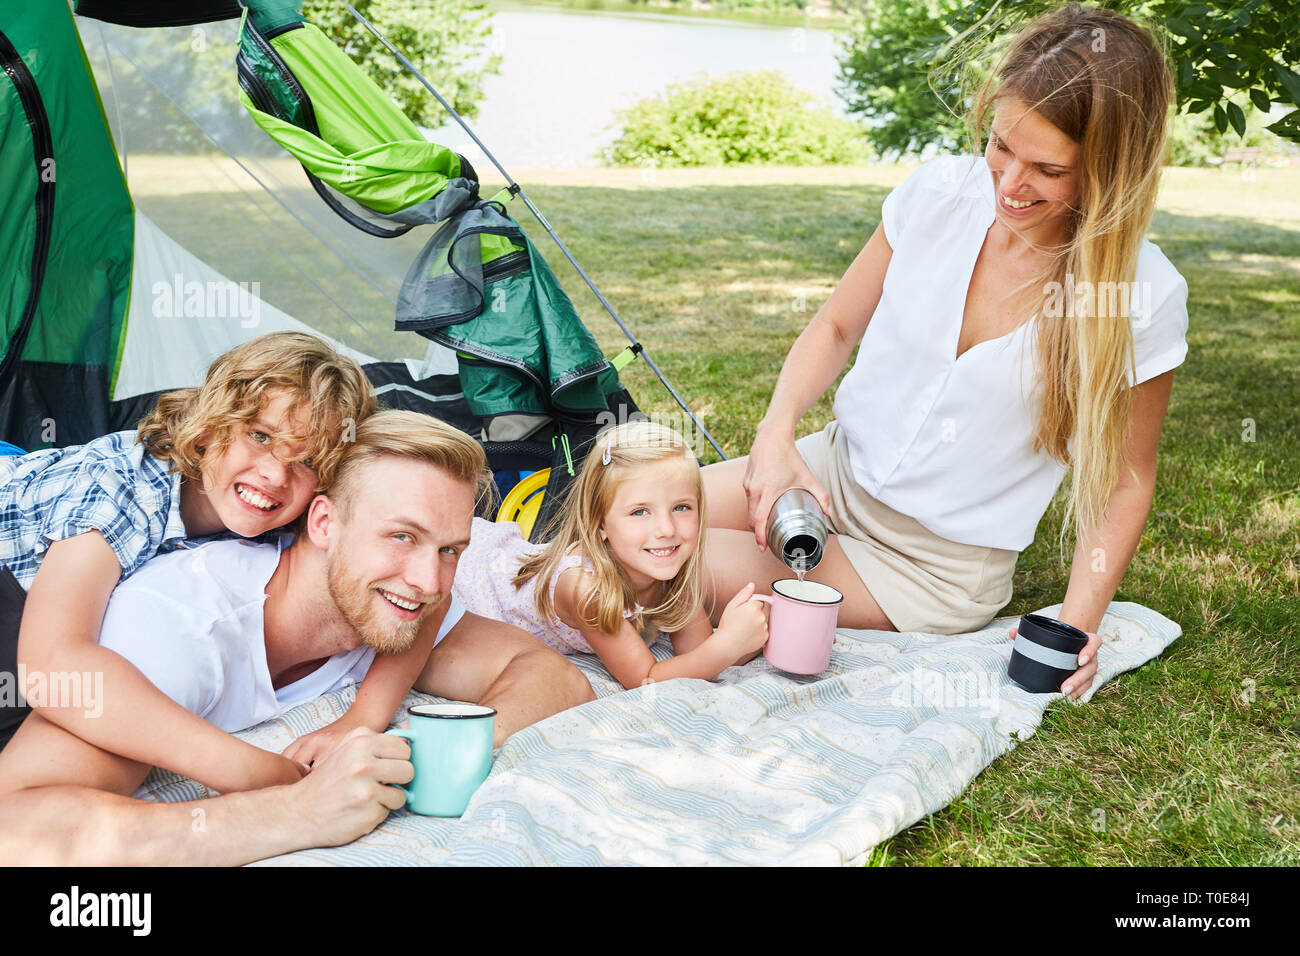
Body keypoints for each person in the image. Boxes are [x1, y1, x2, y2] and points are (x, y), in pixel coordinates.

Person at [703, 3, 1189, 702]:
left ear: (1111, 171)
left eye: (1047, 169)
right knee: (619, 512)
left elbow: (1125, 481)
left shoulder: (1141, 293)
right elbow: (837, 327)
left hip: (929, 568)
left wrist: (1076, 626)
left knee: (668, 561)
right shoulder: (937, 194)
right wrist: (775, 436)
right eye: (1001, 146)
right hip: (828, 474)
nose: (1010, 185)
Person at [0, 410, 595, 866]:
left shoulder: (384, 602)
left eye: (449, 550)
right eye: (402, 537)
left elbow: (553, 676)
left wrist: (405, 759)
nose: (429, 581)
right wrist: (289, 812)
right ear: (324, 522)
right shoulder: (179, 633)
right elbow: (15, 826)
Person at [0, 331, 377, 787]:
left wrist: (364, 717)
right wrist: (244, 766)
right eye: (260, 436)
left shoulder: (287, 518)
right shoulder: (120, 488)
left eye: (308, 460)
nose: (276, 474)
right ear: (213, 424)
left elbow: (415, 595)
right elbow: (51, 667)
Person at [454, 420, 769, 690]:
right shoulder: (585, 588)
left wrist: (742, 635)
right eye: (640, 511)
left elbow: (700, 654)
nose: (666, 529)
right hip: (471, 575)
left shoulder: (669, 567)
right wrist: (726, 645)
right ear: (600, 522)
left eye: (681, 507)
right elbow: (646, 680)